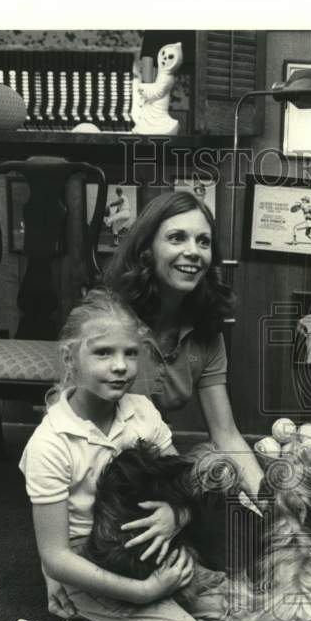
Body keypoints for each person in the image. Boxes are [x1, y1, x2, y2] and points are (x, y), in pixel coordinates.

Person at [0, 289, 227, 621]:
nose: (120, 366)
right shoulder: (51, 443)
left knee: (232, 613)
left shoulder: (143, 411)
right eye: (103, 352)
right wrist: (143, 593)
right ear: (70, 359)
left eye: (130, 354)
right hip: (94, 567)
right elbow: (56, 557)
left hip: (148, 551)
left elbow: (182, 485)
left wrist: (179, 515)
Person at [102, 191, 265, 573]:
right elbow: (73, 442)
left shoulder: (206, 330)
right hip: (106, 481)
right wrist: (54, 562)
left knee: (259, 546)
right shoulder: (107, 319)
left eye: (203, 241)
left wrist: (272, 504)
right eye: (177, 238)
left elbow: (226, 435)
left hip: (162, 470)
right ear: (147, 249)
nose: (193, 251)